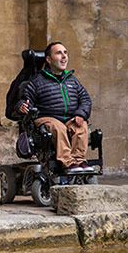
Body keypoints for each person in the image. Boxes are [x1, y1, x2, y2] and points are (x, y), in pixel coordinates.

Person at [18, 42, 93, 173]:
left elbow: (85, 99)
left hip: (69, 118)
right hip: (46, 118)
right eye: (59, 53)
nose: (64, 56)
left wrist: (81, 114)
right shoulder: (37, 81)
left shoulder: (72, 80)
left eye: (65, 52)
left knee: (80, 126)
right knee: (58, 127)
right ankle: (68, 163)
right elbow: (25, 100)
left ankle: (79, 161)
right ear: (48, 59)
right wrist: (22, 105)